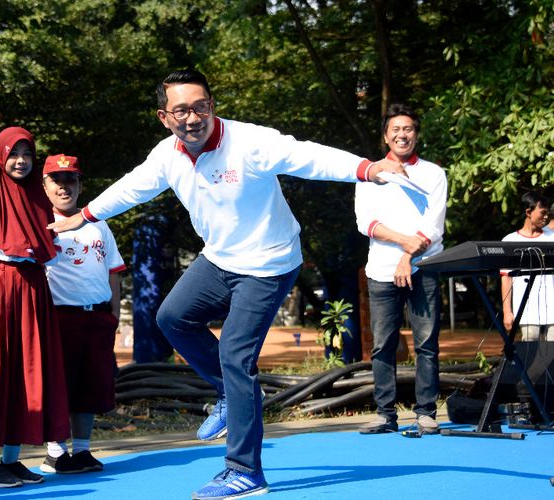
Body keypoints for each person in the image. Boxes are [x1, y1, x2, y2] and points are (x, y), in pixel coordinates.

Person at [51, 69, 408, 499]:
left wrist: (366, 169)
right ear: (164, 117)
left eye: (201, 106)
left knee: (236, 356)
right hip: (219, 258)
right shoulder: (167, 155)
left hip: (269, 263)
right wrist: (82, 217)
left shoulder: (249, 141)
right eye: (181, 110)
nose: (193, 117)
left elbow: (307, 156)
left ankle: (245, 471)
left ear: (212, 107)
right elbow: (132, 188)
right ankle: (228, 394)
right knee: (172, 318)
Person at [0, 127, 70, 488]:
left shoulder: (36, 198)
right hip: (0, 290)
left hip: (33, 290)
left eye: (28, 154)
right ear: (0, 155)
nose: (21, 161)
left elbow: (45, 251)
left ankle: (12, 459)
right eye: (14, 153)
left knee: (26, 373)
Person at [354, 103, 447, 436]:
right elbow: (366, 223)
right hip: (380, 270)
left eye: (407, 129)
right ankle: (385, 414)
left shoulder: (434, 173)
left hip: (425, 267)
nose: (402, 134)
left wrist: (409, 256)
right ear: (385, 136)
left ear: (416, 134)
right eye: (395, 129)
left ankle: (425, 412)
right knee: (383, 344)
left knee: (426, 342)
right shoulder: (370, 175)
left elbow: (434, 225)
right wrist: (402, 244)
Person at [38, 154, 126, 474]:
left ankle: (84, 450)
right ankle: (55, 451)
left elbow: (113, 270)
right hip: (60, 317)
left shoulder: (97, 222)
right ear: (44, 186)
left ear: (80, 185)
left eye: (71, 180)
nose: (65, 187)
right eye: (57, 181)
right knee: (60, 385)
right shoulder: (41, 224)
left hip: (97, 317)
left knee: (92, 384)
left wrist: (114, 313)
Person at [501, 191, 553, 341]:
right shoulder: (510, 241)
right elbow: (506, 278)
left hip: (552, 307)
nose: (546, 217)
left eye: (547, 214)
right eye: (542, 213)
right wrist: (507, 311)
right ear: (528, 212)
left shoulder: (552, 237)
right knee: (531, 340)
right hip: (526, 309)